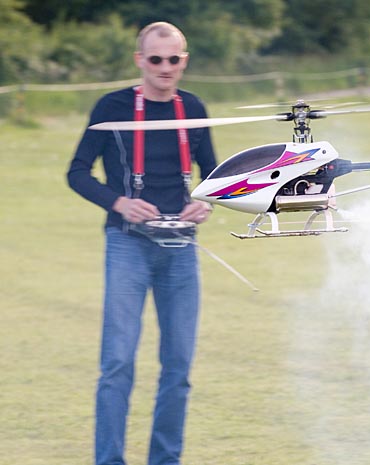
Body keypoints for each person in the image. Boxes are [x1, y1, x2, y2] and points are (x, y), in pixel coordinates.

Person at [67, 21, 217, 465]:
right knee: (117, 363)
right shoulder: (111, 106)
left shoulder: (194, 108)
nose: (165, 67)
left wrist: (206, 203)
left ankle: (165, 459)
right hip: (127, 244)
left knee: (179, 367)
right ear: (140, 60)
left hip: (181, 249)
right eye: (155, 59)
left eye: (174, 59)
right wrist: (118, 202)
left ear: (184, 61)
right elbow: (77, 172)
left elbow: (214, 178)